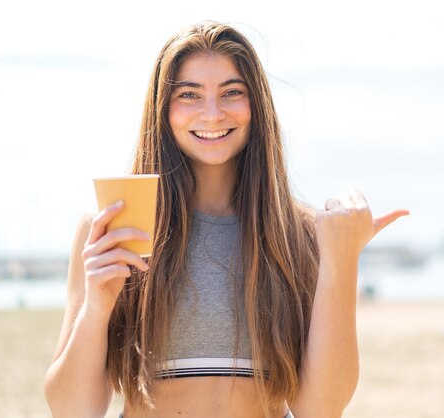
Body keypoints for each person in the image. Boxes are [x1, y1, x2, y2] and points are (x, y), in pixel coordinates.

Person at [43, 21, 409, 418]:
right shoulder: (112, 226)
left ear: (257, 105)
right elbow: (71, 410)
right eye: (189, 94)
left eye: (232, 92)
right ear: (163, 110)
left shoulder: (301, 232)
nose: (213, 113)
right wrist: (97, 305)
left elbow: (321, 409)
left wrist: (342, 260)